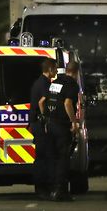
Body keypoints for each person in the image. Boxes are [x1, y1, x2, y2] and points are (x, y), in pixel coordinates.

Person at [39, 61, 80, 201]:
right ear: (76, 72)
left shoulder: (55, 82)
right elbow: (67, 103)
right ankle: (60, 191)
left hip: (50, 125)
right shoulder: (72, 84)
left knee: (54, 158)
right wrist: (74, 122)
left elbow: (42, 102)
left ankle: (51, 189)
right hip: (62, 126)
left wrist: (46, 118)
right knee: (63, 158)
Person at [29, 58, 57, 199]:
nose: (56, 71)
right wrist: (46, 117)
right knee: (45, 157)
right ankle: (43, 188)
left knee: (41, 157)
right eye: (55, 69)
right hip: (41, 125)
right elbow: (42, 101)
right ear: (50, 69)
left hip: (36, 124)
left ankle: (40, 188)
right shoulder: (45, 83)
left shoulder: (38, 82)